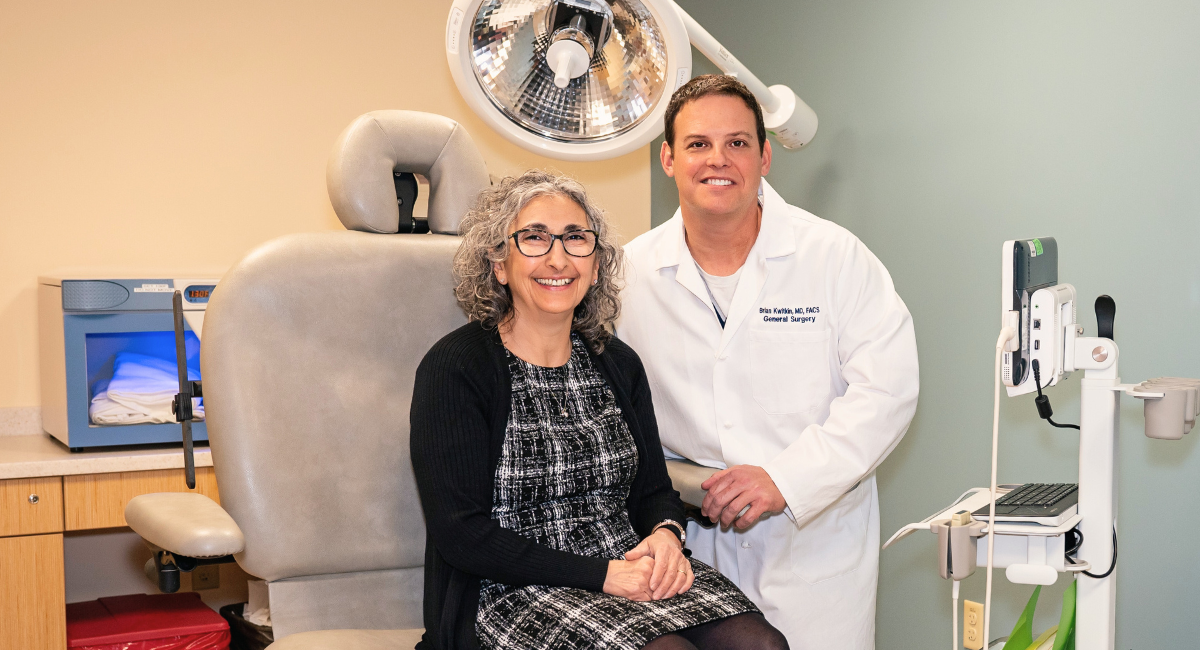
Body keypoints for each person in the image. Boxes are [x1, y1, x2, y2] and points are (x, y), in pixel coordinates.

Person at [410, 170, 789, 650]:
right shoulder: (457, 368)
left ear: (595, 262)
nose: (558, 257)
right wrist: (605, 576)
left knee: (760, 645)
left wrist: (667, 535)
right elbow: (461, 534)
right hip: (508, 587)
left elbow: (653, 489)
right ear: (499, 264)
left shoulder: (617, 363)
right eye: (533, 238)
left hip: (626, 561)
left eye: (574, 238)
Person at [615, 75, 920, 650]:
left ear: (765, 156)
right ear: (668, 158)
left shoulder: (833, 257)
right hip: (690, 550)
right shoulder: (629, 275)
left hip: (813, 547)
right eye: (699, 144)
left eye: (737, 143)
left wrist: (785, 479)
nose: (718, 160)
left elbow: (888, 391)